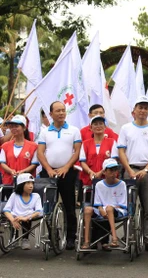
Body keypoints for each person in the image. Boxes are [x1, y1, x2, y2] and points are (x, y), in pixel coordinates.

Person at [117, 95, 148, 253]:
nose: (143, 110)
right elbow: (121, 150)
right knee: (128, 208)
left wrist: (146, 169)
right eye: (140, 107)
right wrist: (129, 170)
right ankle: (129, 237)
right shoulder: (126, 128)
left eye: (145, 108)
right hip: (130, 171)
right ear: (133, 111)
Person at [37, 101, 81, 250]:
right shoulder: (44, 132)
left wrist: (66, 167)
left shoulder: (74, 130)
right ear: (51, 114)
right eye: (58, 111)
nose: (61, 113)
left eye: (63, 110)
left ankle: (70, 238)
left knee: (69, 205)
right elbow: (40, 152)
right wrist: (48, 169)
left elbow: (77, 152)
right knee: (49, 206)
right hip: (48, 173)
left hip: (67, 172)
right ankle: (52, 237)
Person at [81, 159, 127, 249]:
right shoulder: (99, 185)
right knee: (87, 209)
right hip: (102, 209)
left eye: (115, 170)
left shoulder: (122, 184)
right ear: (104, 172)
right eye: (111, 171)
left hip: (117, 210)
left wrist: (107, 209)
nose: (114, 173)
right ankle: (86, 241)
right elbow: (97, 203)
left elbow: (122, 203)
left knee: (109, 208)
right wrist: (101, 209)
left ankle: (114, 239)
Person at [79, 115, 119, 211]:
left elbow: (114, 160)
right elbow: (82, 161)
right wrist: (90, 172)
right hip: (89, 180)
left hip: (107, 179)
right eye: (95, 124)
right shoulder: (85, 143)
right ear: (91, 128)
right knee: (89, 207)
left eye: (101, 124)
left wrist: (101, 172)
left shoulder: (111, 142)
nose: (98, 126)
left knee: (106, 208)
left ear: (105, 127)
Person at [2, 173, 43, 250]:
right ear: (21, 185)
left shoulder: (36, 196)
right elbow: (6, 210)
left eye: (32, 183)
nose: (31, 186)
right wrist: (13, 220)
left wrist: (26, 218)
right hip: (15, 217)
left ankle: (25, 239)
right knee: (12, 216)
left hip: (28, 216)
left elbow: (38, 211)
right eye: (28, 183)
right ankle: (14, 238)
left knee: (26, 218)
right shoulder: (14, 195)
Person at [0, 115, 39, 186]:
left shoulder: (33, 146)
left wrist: (22, 172)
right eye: (11, 126)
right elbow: (2, 163)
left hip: (26, 183)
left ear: (24, 128)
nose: (13, 128)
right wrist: (11, 171)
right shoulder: (5, 146)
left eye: (16, 126)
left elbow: (34, 164)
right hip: (8, 182)